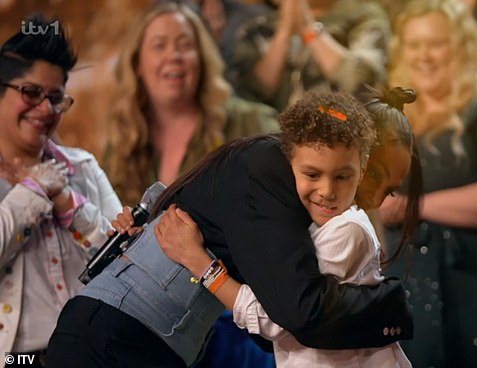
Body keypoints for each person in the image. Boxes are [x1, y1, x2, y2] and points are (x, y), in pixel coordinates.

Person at [46, 88, 421, 368]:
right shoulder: (270, 174)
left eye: (389, 190)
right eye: (378, 180)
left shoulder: (298, 192)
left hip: (148, 342)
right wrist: (391, 307)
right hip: (114, 335)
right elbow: (300, 312)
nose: (377, 200)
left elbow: (276, 320)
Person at [155, 87, 416, 367]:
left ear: (359, 164)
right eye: (312, 173)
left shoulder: (347, 229)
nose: (327, 190)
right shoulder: (284, 197)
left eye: (389, 191)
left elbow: (284, 320)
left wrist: (203, 267)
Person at [379, 0, 477, 366]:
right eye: (415, 45)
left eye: (435, 43)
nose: (425, 56)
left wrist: (410, 207)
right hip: (410, 278)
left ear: (460, 46)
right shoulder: (391, 115)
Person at [0, 14, 122, 366]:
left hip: (94, 353)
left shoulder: (82, 167)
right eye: (31, 92)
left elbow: (127, 263)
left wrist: (70, 203)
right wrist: (35, 190)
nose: (45, 109)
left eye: (56, 98)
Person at [102, 1, 279, 206]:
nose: (174, 56)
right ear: (137, 64)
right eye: (159, 45)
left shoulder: (251, 123)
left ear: (202, 60)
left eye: (185, 45)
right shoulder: (123, 141)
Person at [230, 0, 391, 112]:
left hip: (341, 138)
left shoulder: (364, 17)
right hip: (271, 139)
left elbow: (361, 83)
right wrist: (285, 31)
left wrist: (308, 29)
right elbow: (252, 91)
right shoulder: (258, 24)